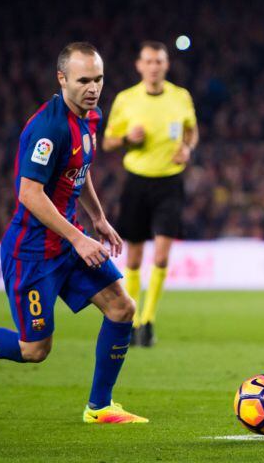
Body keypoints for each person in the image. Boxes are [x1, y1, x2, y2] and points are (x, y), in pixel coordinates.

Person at [0, 42, 147, 424]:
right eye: (84, 81)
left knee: (122, 308)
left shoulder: (89, 116)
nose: (93, 88)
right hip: (33, 252)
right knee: (34, 349)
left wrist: (98, 218)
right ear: (62, 79)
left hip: (70, 240)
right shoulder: (49, 127)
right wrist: (78, 238)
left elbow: (81, 166)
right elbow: (29, 193)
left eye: (99, 79)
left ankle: (100, 406)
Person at [102, 41, 198, 347]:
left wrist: (187, 147)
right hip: (137, 182)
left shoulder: (180, 97)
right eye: (148, 61)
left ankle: (147, 321)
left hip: (170, 182)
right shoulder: (126, 99)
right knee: (134, 256)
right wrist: (126, 138)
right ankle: (129, 318)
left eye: (159, 61)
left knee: (161, 254)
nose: (154, 66)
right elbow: (107, 142)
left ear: (165, 65)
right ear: (139, 65)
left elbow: (191, 130)